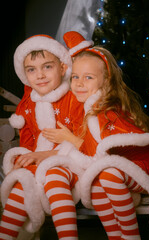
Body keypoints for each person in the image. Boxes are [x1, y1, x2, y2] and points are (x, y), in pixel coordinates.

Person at [38, 31, 149, 240]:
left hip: (145, 165)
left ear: (106, 81)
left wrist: (71, 139)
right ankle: (116, 236)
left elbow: (100, 154)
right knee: (95, 184)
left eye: (88, 77)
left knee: (107, 174)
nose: (79, 83)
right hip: (121, 168)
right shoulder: (88, 108)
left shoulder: (106, 111)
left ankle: (130, 236)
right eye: (75, 77)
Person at [0, 34, 84, 239]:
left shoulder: (74, 98)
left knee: (55, 178)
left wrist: (47, 156)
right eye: (31, 70)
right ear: (24, 74)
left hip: (70, 163)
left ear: (63, 68)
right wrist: (25, 158)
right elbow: (28, 140)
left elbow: (84, 140)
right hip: (39, 161)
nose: (40, 75)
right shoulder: (30, 104)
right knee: (22, 185)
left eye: (47, 66)